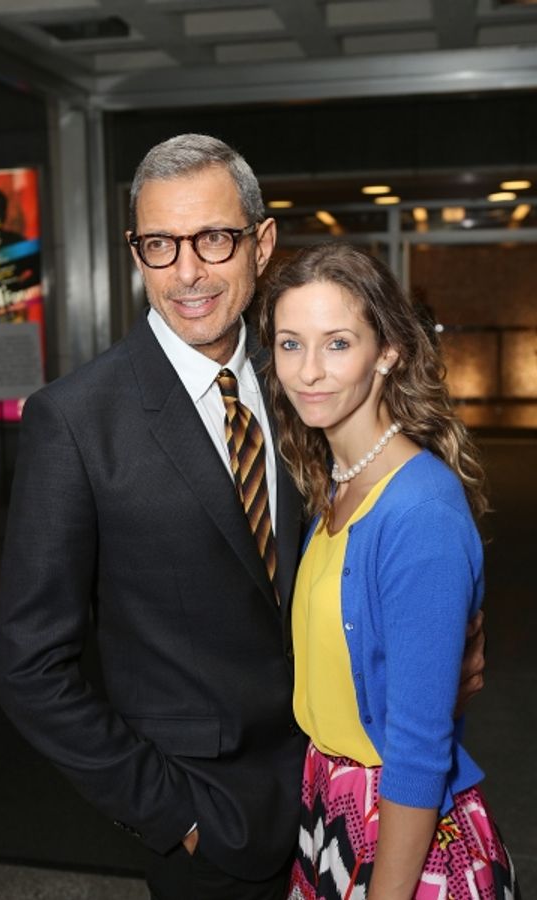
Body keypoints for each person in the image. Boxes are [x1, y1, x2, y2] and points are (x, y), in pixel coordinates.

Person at [0, 135, 484, 900]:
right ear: (136, 252)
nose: (186, 272)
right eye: (159, 244)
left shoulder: (300, 379)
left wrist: (437, 647)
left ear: (260, 243)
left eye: (213, 239)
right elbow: (29, 667)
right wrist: (174, 816)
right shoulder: (75, 421)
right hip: (208, 833)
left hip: (342, 808)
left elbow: (373, 550)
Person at [258, 242, 520, 899]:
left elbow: (418, 751)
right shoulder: (334, 487)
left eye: (337, 343)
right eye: (290, 344)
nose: (309, 371)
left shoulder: (418, 509)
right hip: (331, 806)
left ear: (389, 353)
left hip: (398, 830)